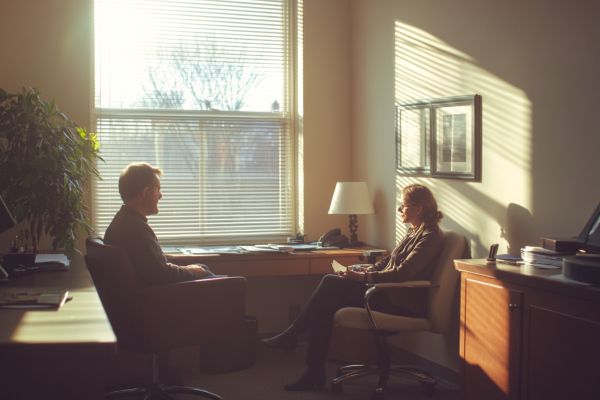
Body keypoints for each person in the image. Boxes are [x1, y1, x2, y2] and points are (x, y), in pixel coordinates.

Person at [262, 183, 445, 391]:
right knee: (326, 303)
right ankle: (310, 368)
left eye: (403, 205)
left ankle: (297, 345)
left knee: (330, 285)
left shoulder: (430, 237)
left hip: (399, 301)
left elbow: (403, 274)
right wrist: (361, 270)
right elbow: (386, 263)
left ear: (419, 209)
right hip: (386, 293)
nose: (399, 209)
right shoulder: (414, 232)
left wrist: (363, 276)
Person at [104, 162, 215, 286]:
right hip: (160, 296)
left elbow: (153, 266)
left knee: (202, 267)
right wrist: (192, 272)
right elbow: (161, 273)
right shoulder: (137, 230)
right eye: (158, 189)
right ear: (145, 192)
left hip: (153, 290)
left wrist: (190, 269)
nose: (160, 196)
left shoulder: (123, 221)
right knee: (228, 283)